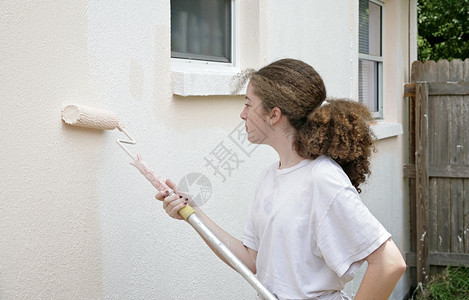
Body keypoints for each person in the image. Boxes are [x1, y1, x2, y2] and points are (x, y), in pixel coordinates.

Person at [156, 59, 406, 300]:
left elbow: (389, 263)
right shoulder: (269, 177)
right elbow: (251, 260)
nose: (242, 114)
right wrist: (193, 213)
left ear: (274, 115)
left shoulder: (322, 178)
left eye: (248, 103)